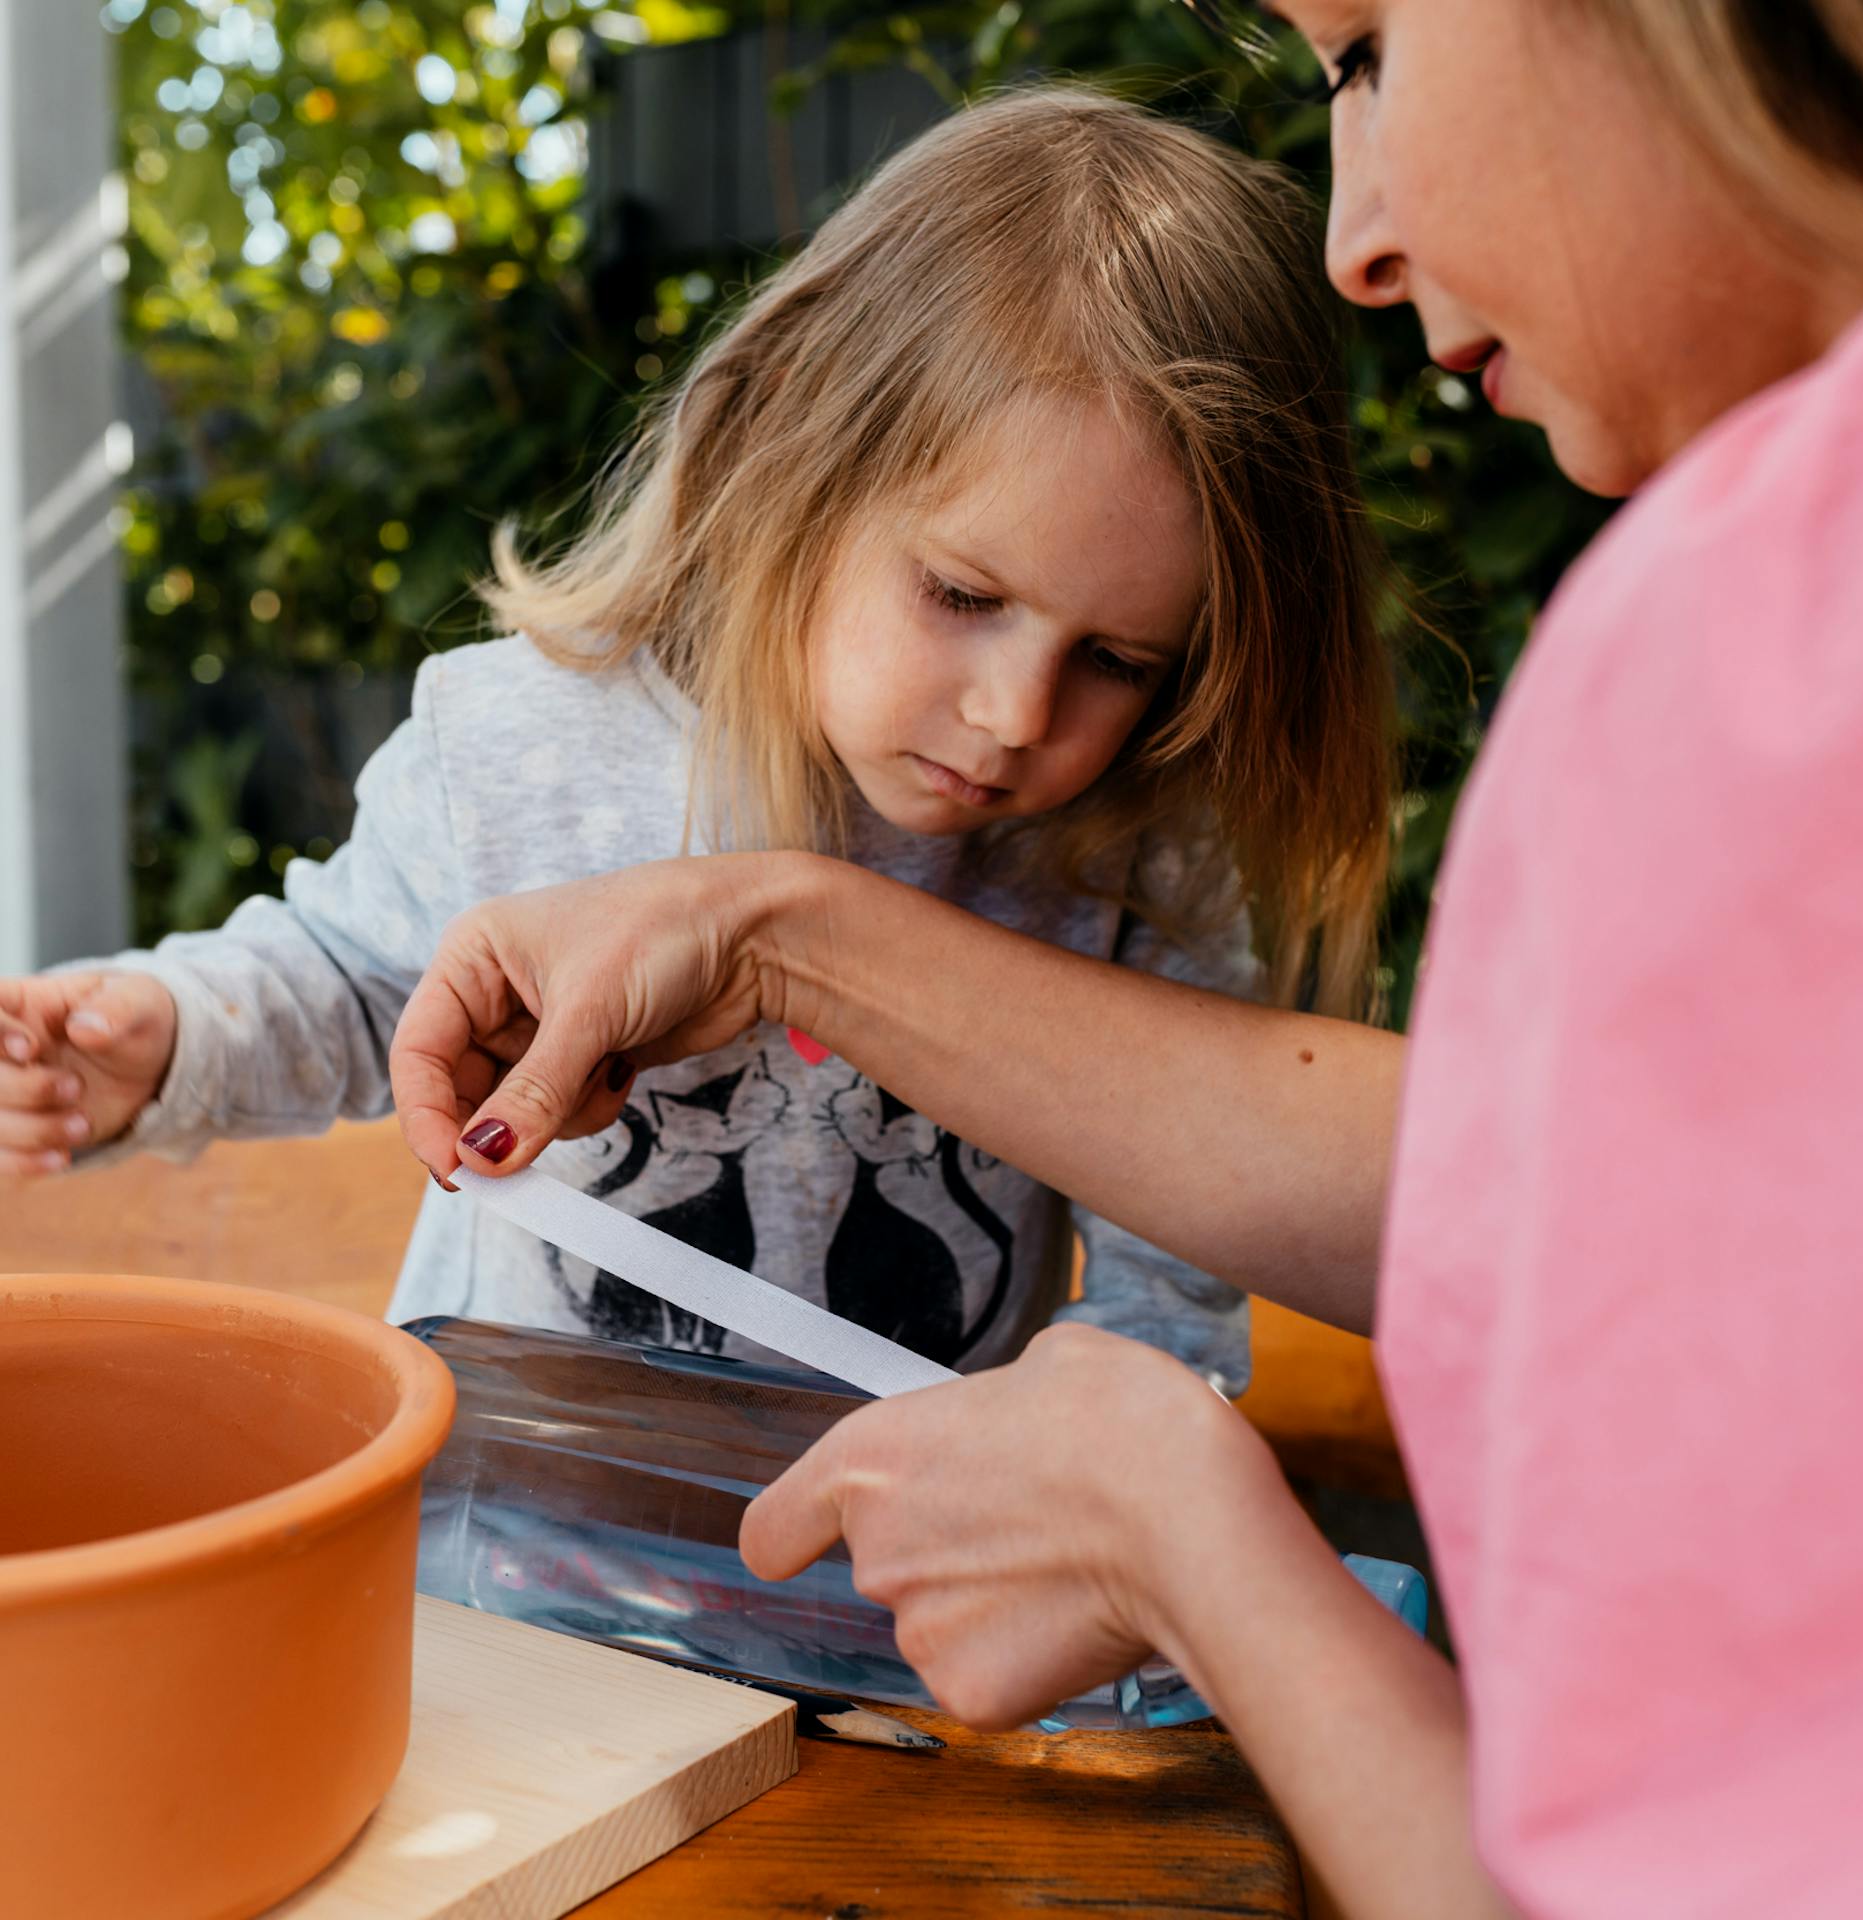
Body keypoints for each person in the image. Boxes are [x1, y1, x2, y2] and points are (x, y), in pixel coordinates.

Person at [379, 3, 1863, 1914]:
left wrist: (1188, 1538)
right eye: (962, 593)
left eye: (1369, 54)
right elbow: (1594, 1213)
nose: (1354, 237)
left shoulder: (1774, 635)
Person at [0, 90, 1399, 1387]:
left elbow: (1172, 1294)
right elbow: (354, 982)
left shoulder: (1136, 852)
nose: (1017, 715)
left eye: (1117, 660)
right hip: (528, 1575)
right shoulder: (517, 743)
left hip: (887, 1614)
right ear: (785, 454)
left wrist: (1098, 1474)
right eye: (963, 596)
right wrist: (165, 1037)